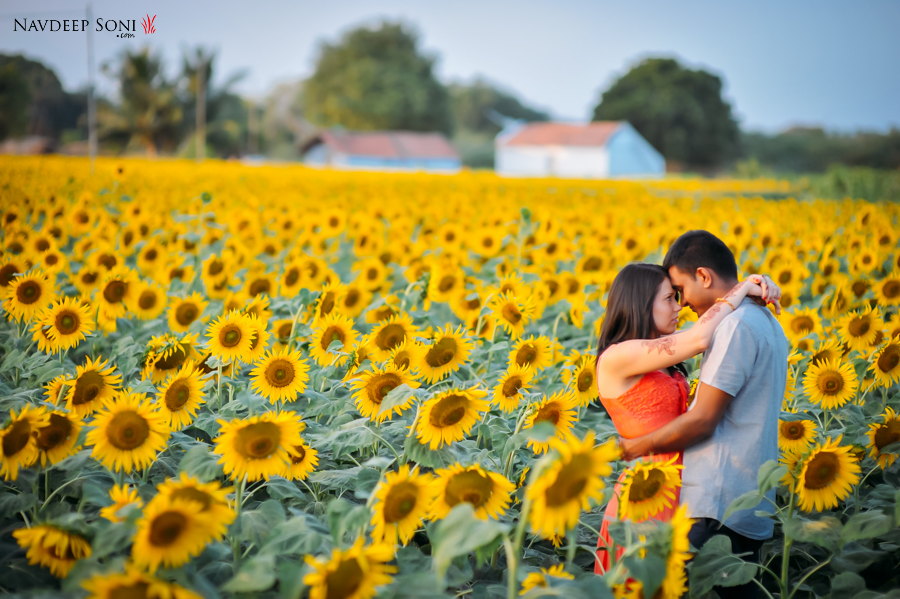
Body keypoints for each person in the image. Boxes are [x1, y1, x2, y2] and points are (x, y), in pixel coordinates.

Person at [619, 230, 788, 599]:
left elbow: (703, 419)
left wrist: (635, 446)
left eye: (680, 290)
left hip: (719, 497)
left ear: (704, 276)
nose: (681, 303)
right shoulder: (764, 321)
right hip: (746, 492)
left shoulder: (736, 326)